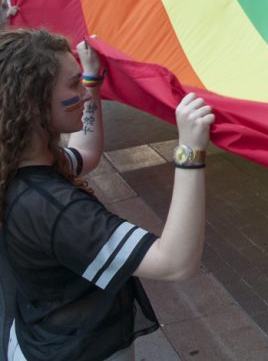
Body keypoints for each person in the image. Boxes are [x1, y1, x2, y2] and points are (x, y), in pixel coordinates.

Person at [1, 30, 214, 360]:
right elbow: (174, 262)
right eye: (72, 86)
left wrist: (90, 80)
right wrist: (189, 151)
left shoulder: (17, 164)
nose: (82, 95)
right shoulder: (55, 210)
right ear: (34, 104)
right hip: (79, 350)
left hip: (42, 337)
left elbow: (86, 153)